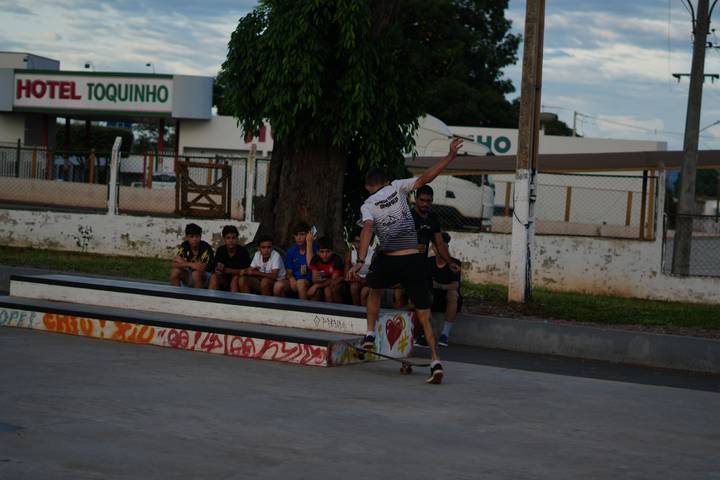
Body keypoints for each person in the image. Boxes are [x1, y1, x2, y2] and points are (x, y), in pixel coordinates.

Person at [348, 137, 463, 385]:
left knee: (373, 289)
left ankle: (370, 334)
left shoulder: (368, 204)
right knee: (423, 313)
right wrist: (449, 157)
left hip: (389, 260)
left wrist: (360, 259)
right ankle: (436, 362)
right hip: (413, 260)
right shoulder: (398, 186)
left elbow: (367, 229)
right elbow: (426, 178)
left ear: (368, 186)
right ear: (386, 181)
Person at [409, 184, 460, 347]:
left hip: (420, 266)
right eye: (422, 200)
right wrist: (412, 247)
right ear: (416, 199)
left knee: (424, 298)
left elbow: (439, 243)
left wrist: (450, 262)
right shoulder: (408, 216)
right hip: (404, 263)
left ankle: (421, 335)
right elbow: (394, 239)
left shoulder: (432, 219)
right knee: (409, 299)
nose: (425, 204)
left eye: (428, 201)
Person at [429, 232, 462, 347]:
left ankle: (444, 335)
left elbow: (455, 285)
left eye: (440, 245)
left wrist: (439, 286)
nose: (437, 248)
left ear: (446, 247)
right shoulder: (428, 262)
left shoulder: (454, 263)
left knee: (452, 294)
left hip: (446, 300)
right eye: (435, 245)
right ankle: (422, 334)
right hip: (431, 297)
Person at [275, 222, 315, 299]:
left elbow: (310, 264)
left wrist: (309, 243)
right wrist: (291, 279)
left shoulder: (313, 248)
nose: (298, 238)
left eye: (302, 234)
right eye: (296, 235)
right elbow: (289, 270)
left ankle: (302, 307)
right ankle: (284, 306)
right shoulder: (291, 251)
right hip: (295, 280)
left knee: (300, 283)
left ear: (308, 235)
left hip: (308, 281)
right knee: (278, 286)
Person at [208, 225, 251, 292]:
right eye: (228, 238)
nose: (231, 240)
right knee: (214, 277)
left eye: (233, 238)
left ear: (237, 239)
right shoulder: (220, 250)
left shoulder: (242, 251)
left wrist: (225, 269)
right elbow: (216, 268)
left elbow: (244, 271)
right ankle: (210, 297)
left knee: (235, 279)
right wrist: (218, 268)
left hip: (238, 279)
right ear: (224, 239)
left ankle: (233, 298)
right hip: (224, 278)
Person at [170, 223, 214, 288]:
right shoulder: (185, 245)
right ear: (187, 237)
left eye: (197, 236)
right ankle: (176, 294)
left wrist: (183, 262)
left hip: (206, 277)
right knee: (175, 271)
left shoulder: (205, 247)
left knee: (196, 274)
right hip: (190, 273)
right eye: (191, 236)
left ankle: (199, 294)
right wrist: (191, 264)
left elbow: (202, 268)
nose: (194, 239)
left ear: (200, 236)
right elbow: (174, 264)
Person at [308, 236, 345, 303]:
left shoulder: (337, 260)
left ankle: (335, 309)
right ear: (318, 252)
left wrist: (317, 286)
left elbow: (333, 280)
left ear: (332, 251)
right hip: (322, 283)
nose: (325, 254)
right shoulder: (315, 259)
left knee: (328, 290)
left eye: (328, 251)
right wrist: (316, 282)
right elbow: (314, 279)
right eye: (322, 252)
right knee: (315, 293)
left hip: (337, 284)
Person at [344, 229, 374, 306]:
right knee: (353, 287)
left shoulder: (373, 255)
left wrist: (361, 280)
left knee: (364, 291)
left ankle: (364, 312)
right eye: (357, 241)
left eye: (362, 241)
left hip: (370, 282)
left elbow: (375, 277)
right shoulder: (350, 254)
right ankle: (356, 310)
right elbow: (346, 277)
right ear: (353, 242)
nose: (359, 244)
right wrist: (352, 278)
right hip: (356, 281)